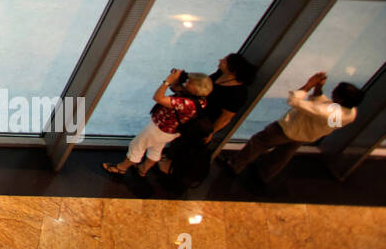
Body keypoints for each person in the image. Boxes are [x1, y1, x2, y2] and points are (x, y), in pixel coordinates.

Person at [221, 72, 361, 183]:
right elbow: (321, 105)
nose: (333, 92)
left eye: (336, 91)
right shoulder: (351, 112)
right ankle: (263, 174)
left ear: (341, 99)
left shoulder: (328, 111)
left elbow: (294, 101)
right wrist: (318, 89)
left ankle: (235, 165)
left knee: (258, 142)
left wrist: (308, 85)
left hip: (288, 129)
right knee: (283, 155)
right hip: (306, 135)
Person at [155, 53, 256, 188]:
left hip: (202, 124)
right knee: (179, 141)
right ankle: (167, 163)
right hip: (193, 115)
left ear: (233, 69)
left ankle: (172, 172)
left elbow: (226, 117)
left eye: (224, 61)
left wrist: (210, 132)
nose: (221, 61)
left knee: (186, 146)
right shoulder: (220, 74)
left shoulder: (239, 93)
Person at [103, 70, 213, 177]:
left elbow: (158, 97)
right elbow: (176, 92)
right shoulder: (201, 101)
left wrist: (167, 81)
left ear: (194, 88)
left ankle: (121, 168)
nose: (186, 82)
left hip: (159, 129)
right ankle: (143, 170)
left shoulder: (186, 103)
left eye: (189, 82)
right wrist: (178, 82)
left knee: (137, 146)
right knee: (156, 149)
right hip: (171, 132)